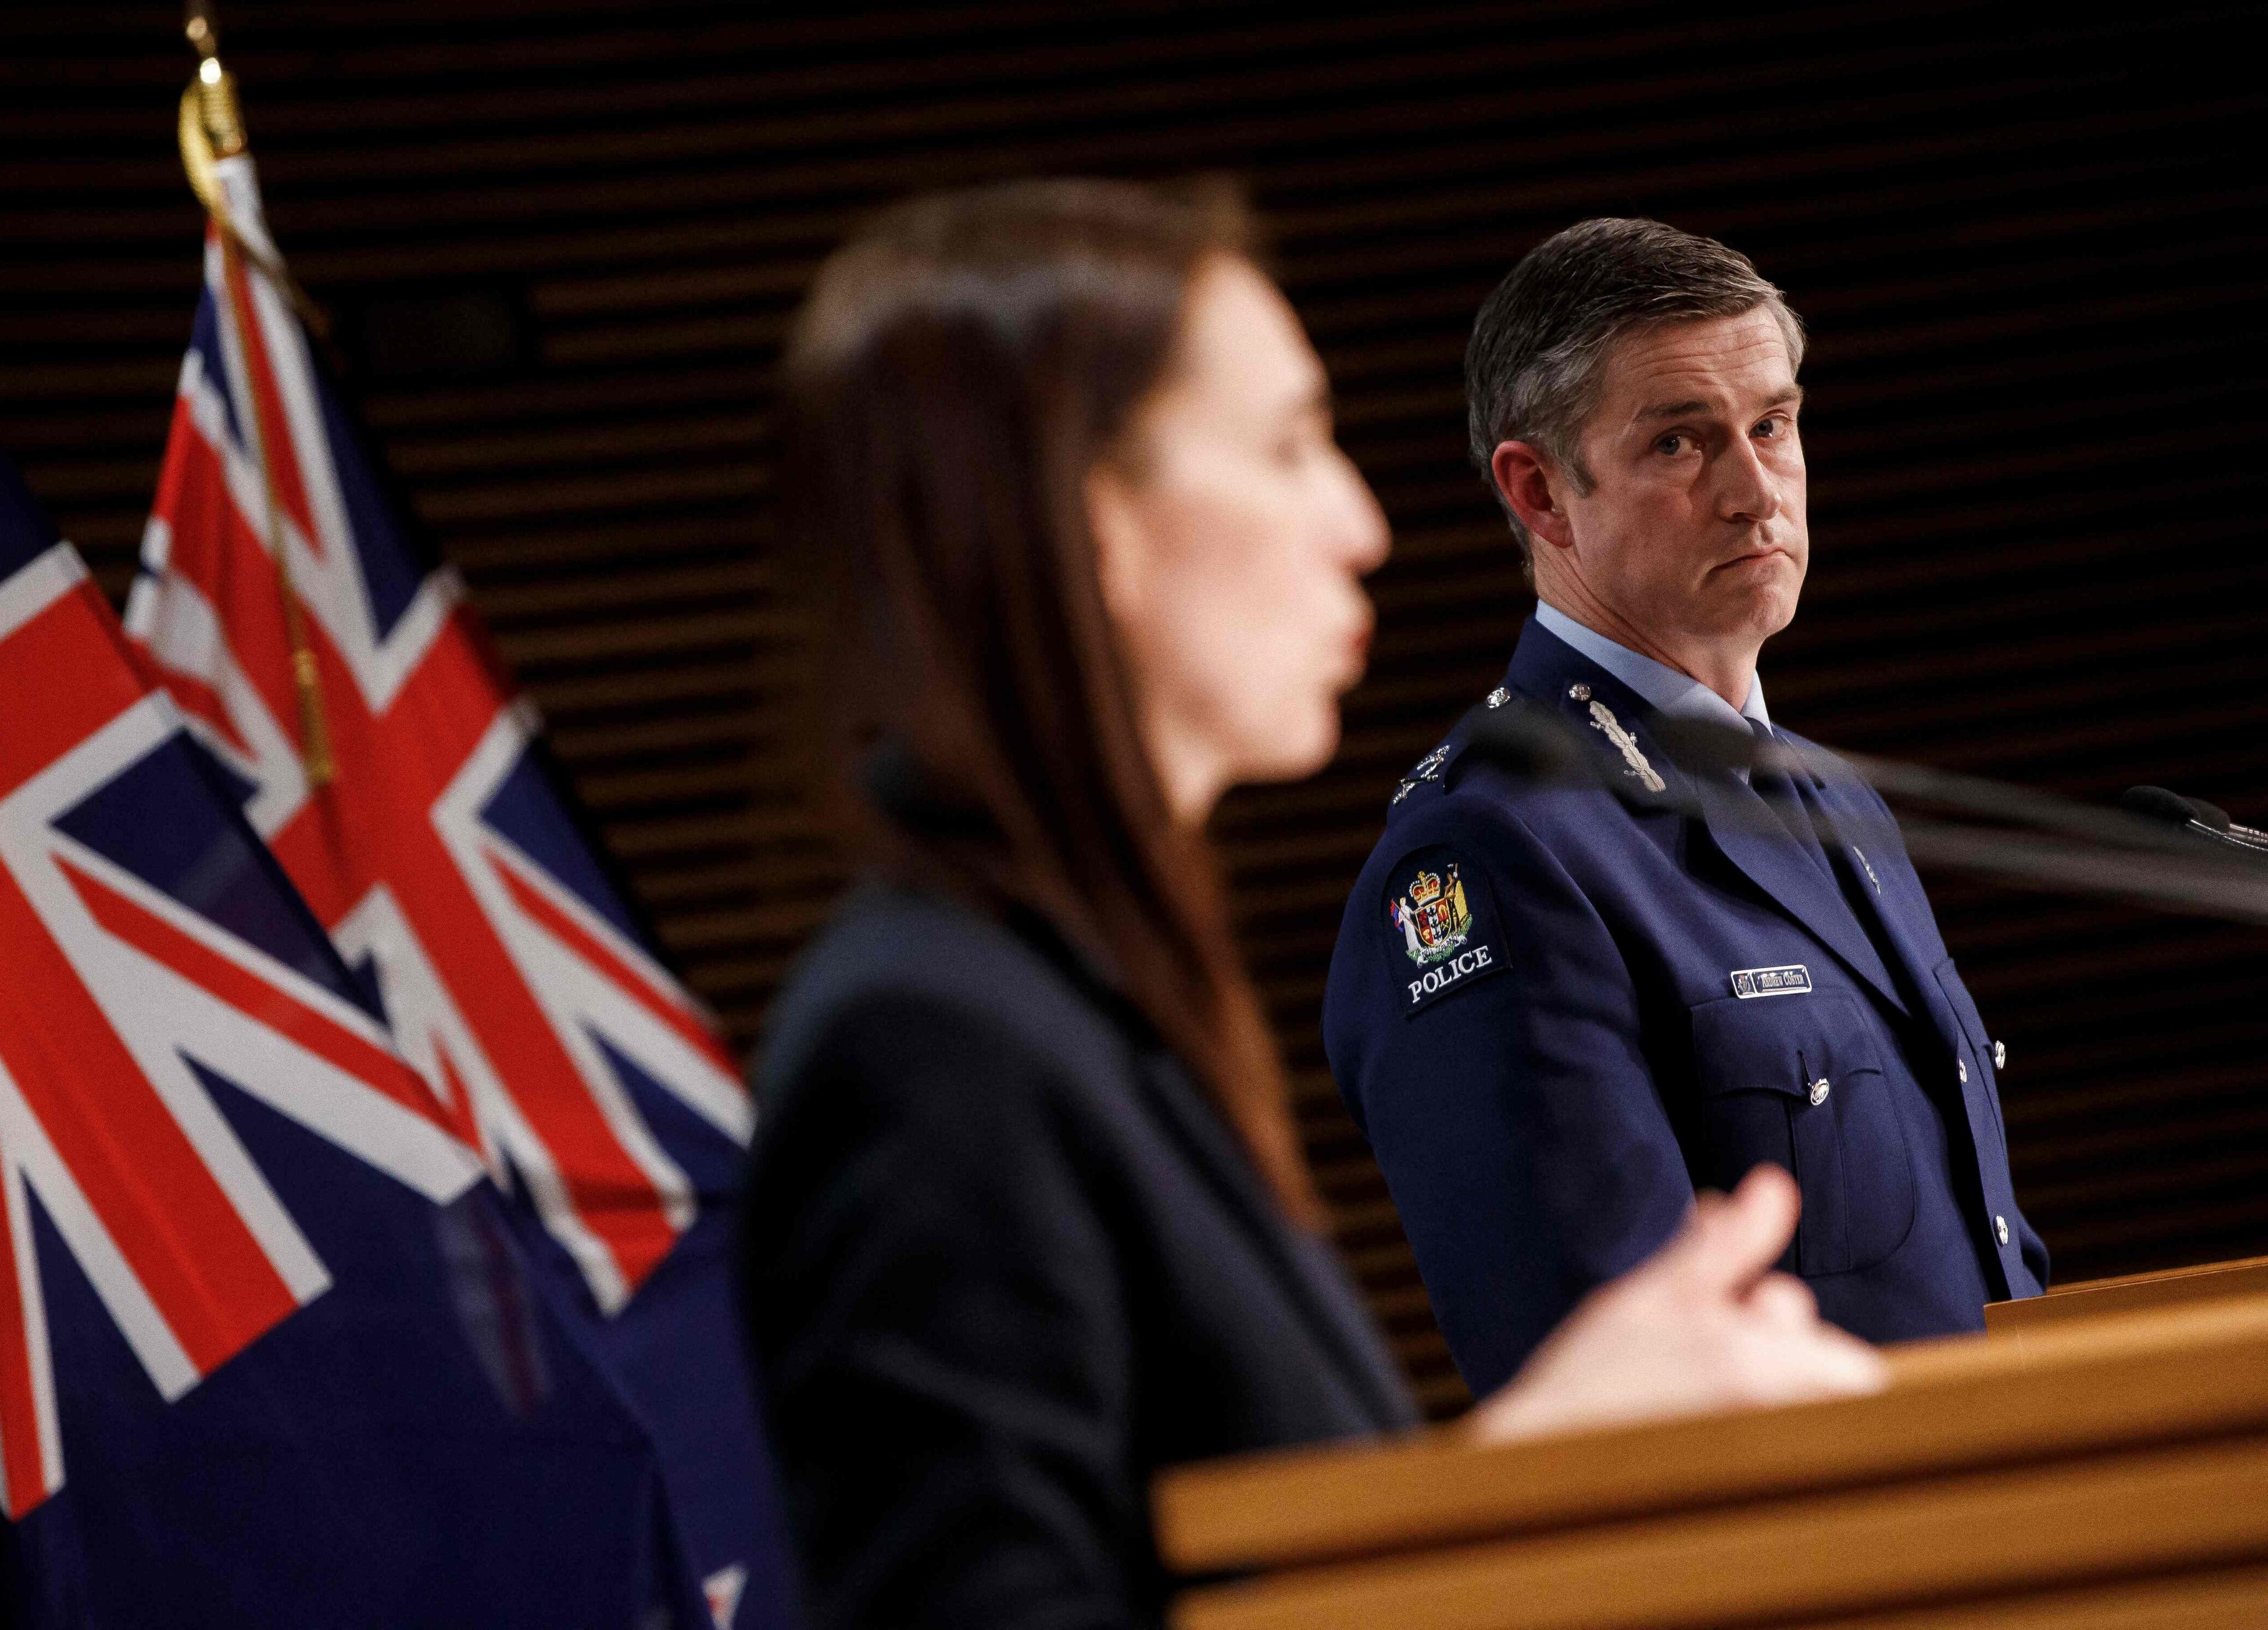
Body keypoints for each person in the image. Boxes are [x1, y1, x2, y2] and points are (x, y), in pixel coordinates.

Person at [741, 181, 1884, 1630]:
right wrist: (1526, 1480)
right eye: (1288, 447)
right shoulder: (926, 1043)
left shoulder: (1077, 1001)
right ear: (1097, 521)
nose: (1360, 525)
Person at [1323, 218, 2048, 1403]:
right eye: (1680, 442)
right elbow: (1601, 1378)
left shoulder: (1829, 794)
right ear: (1542, 492)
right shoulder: (1496, 855)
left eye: (1773, 425)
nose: (1756, 492)